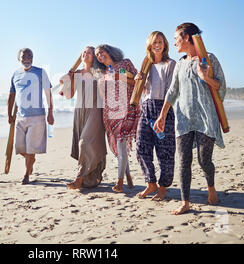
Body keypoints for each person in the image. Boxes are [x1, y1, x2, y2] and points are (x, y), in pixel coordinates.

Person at [153, 23, 226, 215]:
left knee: (204, 160)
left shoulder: (209, 59)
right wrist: (162, 115)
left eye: (177, 37)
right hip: (184, 119)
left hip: (205, 118)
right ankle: (185, 202)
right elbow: (173, 91)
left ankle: (211, 187)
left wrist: (205, 77)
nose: (174, 41)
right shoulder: (181, 63)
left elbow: (220, 86)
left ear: (187, 38)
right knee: (183, 160)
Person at [134, 31, 176, 200]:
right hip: (147, 108)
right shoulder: (146, 64)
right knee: (141, 146)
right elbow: (145, 91)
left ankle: (163, 188)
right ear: (149, 46)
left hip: (164, 107)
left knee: (165, 151)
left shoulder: (171, 64)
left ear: (165, 44)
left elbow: (172, 91)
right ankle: (151, 183)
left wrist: (163, 115)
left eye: (160, 42)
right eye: (154, 43)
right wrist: (139, 81)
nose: (157, 45)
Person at [95, 44, 141, 193]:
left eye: (101, 52)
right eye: (97, 55)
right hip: (111, 112)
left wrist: (121, 78)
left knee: (121, 142)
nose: (100, 55)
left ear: (109, 51)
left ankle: (120, 181)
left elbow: (137, 82)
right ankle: (128, 177)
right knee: (120, 145)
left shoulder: (125, 63)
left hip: (127, 107)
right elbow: (103, 96)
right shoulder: (103, 74)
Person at [60, 46, 108, 189]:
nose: (86, 54)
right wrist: (67, 81)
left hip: (95, 111)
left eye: (89, 53)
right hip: (80, 111)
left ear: (94, 57)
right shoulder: (76, 74)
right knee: (83, 146)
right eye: (84, 52)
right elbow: (69, 95)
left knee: (85, 143)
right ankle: (87, 178)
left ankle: (79, 179)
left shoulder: (99, 72)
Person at [8, 48, 54, 185]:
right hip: (20, 116)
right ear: (19, 58)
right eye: (24, 56)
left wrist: (50, 112)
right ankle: (31, 161)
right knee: (20, 148)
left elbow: (48, 94)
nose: (27, 58)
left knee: (31, 148)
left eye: (30, 56)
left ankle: (26, 174)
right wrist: (9, 114)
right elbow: (11, 95)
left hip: (37, 116)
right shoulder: (15, 74)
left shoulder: (40, 72)